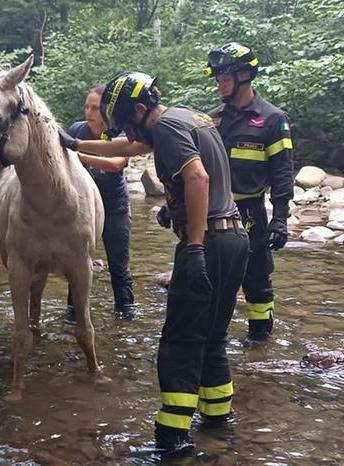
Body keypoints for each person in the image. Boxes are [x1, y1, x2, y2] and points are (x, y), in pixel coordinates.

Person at [64, 71, 249, 456]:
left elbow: (197, 176)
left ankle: (172, 440)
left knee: (179, 343)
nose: (127, 136)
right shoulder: (187, 117)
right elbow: (131, 150)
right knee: (212, 337)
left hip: (209, 242)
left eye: (126, 126)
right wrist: (73, 142)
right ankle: (217, 421)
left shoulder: (164, 127)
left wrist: (194, 247)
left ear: (141, 109)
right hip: (234, 239)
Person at [204, 43, 294, 341]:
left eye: (225, 80)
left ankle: (260, 343)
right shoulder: (212, 119)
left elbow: (282, 172)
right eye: (217, 80)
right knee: (211, 278)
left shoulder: (271, 119)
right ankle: (214, 339)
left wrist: (280, 218)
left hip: (250, 211)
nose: (220, 86)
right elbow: (196, 167)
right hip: (213, 211)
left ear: (245, 76)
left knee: (256, 279)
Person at [65, 85, 135, 320]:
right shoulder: (77, 130)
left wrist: (79, 154)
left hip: (114, 205)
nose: (89, 112)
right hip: (81, 208)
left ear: (107, 110)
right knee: (76, 261)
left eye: (95, 108)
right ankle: (73, 311)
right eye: (87, 107)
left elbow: (117, 163)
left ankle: (125, 311)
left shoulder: (121, 132)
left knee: (118, 263)